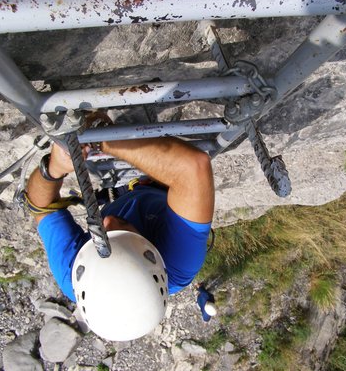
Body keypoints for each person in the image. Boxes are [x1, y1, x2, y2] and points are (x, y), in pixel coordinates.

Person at [24, 137, 214, 340]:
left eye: (95, 242)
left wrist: (54, 169)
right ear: (151, 254)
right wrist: (100, 141)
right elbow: (194, 167)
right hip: (163, 189)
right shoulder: (178, 262)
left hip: (127, 194)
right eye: (121, 233)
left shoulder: (78, 275)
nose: (106, 223)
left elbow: (40, 206)